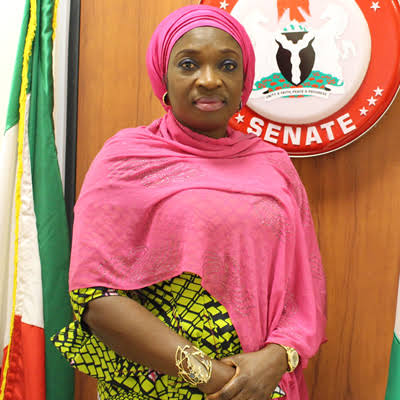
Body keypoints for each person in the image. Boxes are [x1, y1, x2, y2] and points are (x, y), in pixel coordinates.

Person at [52, 5, 326, 400]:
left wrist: (277, 357)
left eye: (227, 65)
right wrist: (216, 380)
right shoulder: (126, 159)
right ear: (162, 76)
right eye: (188, 64)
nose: (210, 80)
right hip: (157, 388)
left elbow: (305, 288)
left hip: (263, 386)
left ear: (244, 80)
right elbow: (94, 296)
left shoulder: (274, 166)